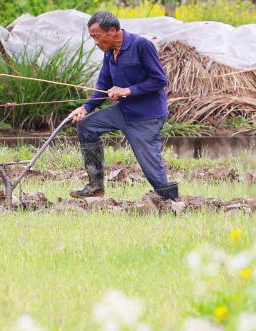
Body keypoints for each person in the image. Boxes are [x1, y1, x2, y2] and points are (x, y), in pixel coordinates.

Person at [68, 10, 179, 200]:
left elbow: (160, 79)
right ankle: (95, 187)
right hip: (123, 112)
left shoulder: (141, 45)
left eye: (96, 36)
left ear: (112, 31)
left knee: (151, 168)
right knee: (87, 126)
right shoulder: (110, 52)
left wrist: (127, 90)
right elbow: (103, 85)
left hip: (147, 116)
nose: (95, 42)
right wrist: (85, 108)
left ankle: (171, 201)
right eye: (92, 37)